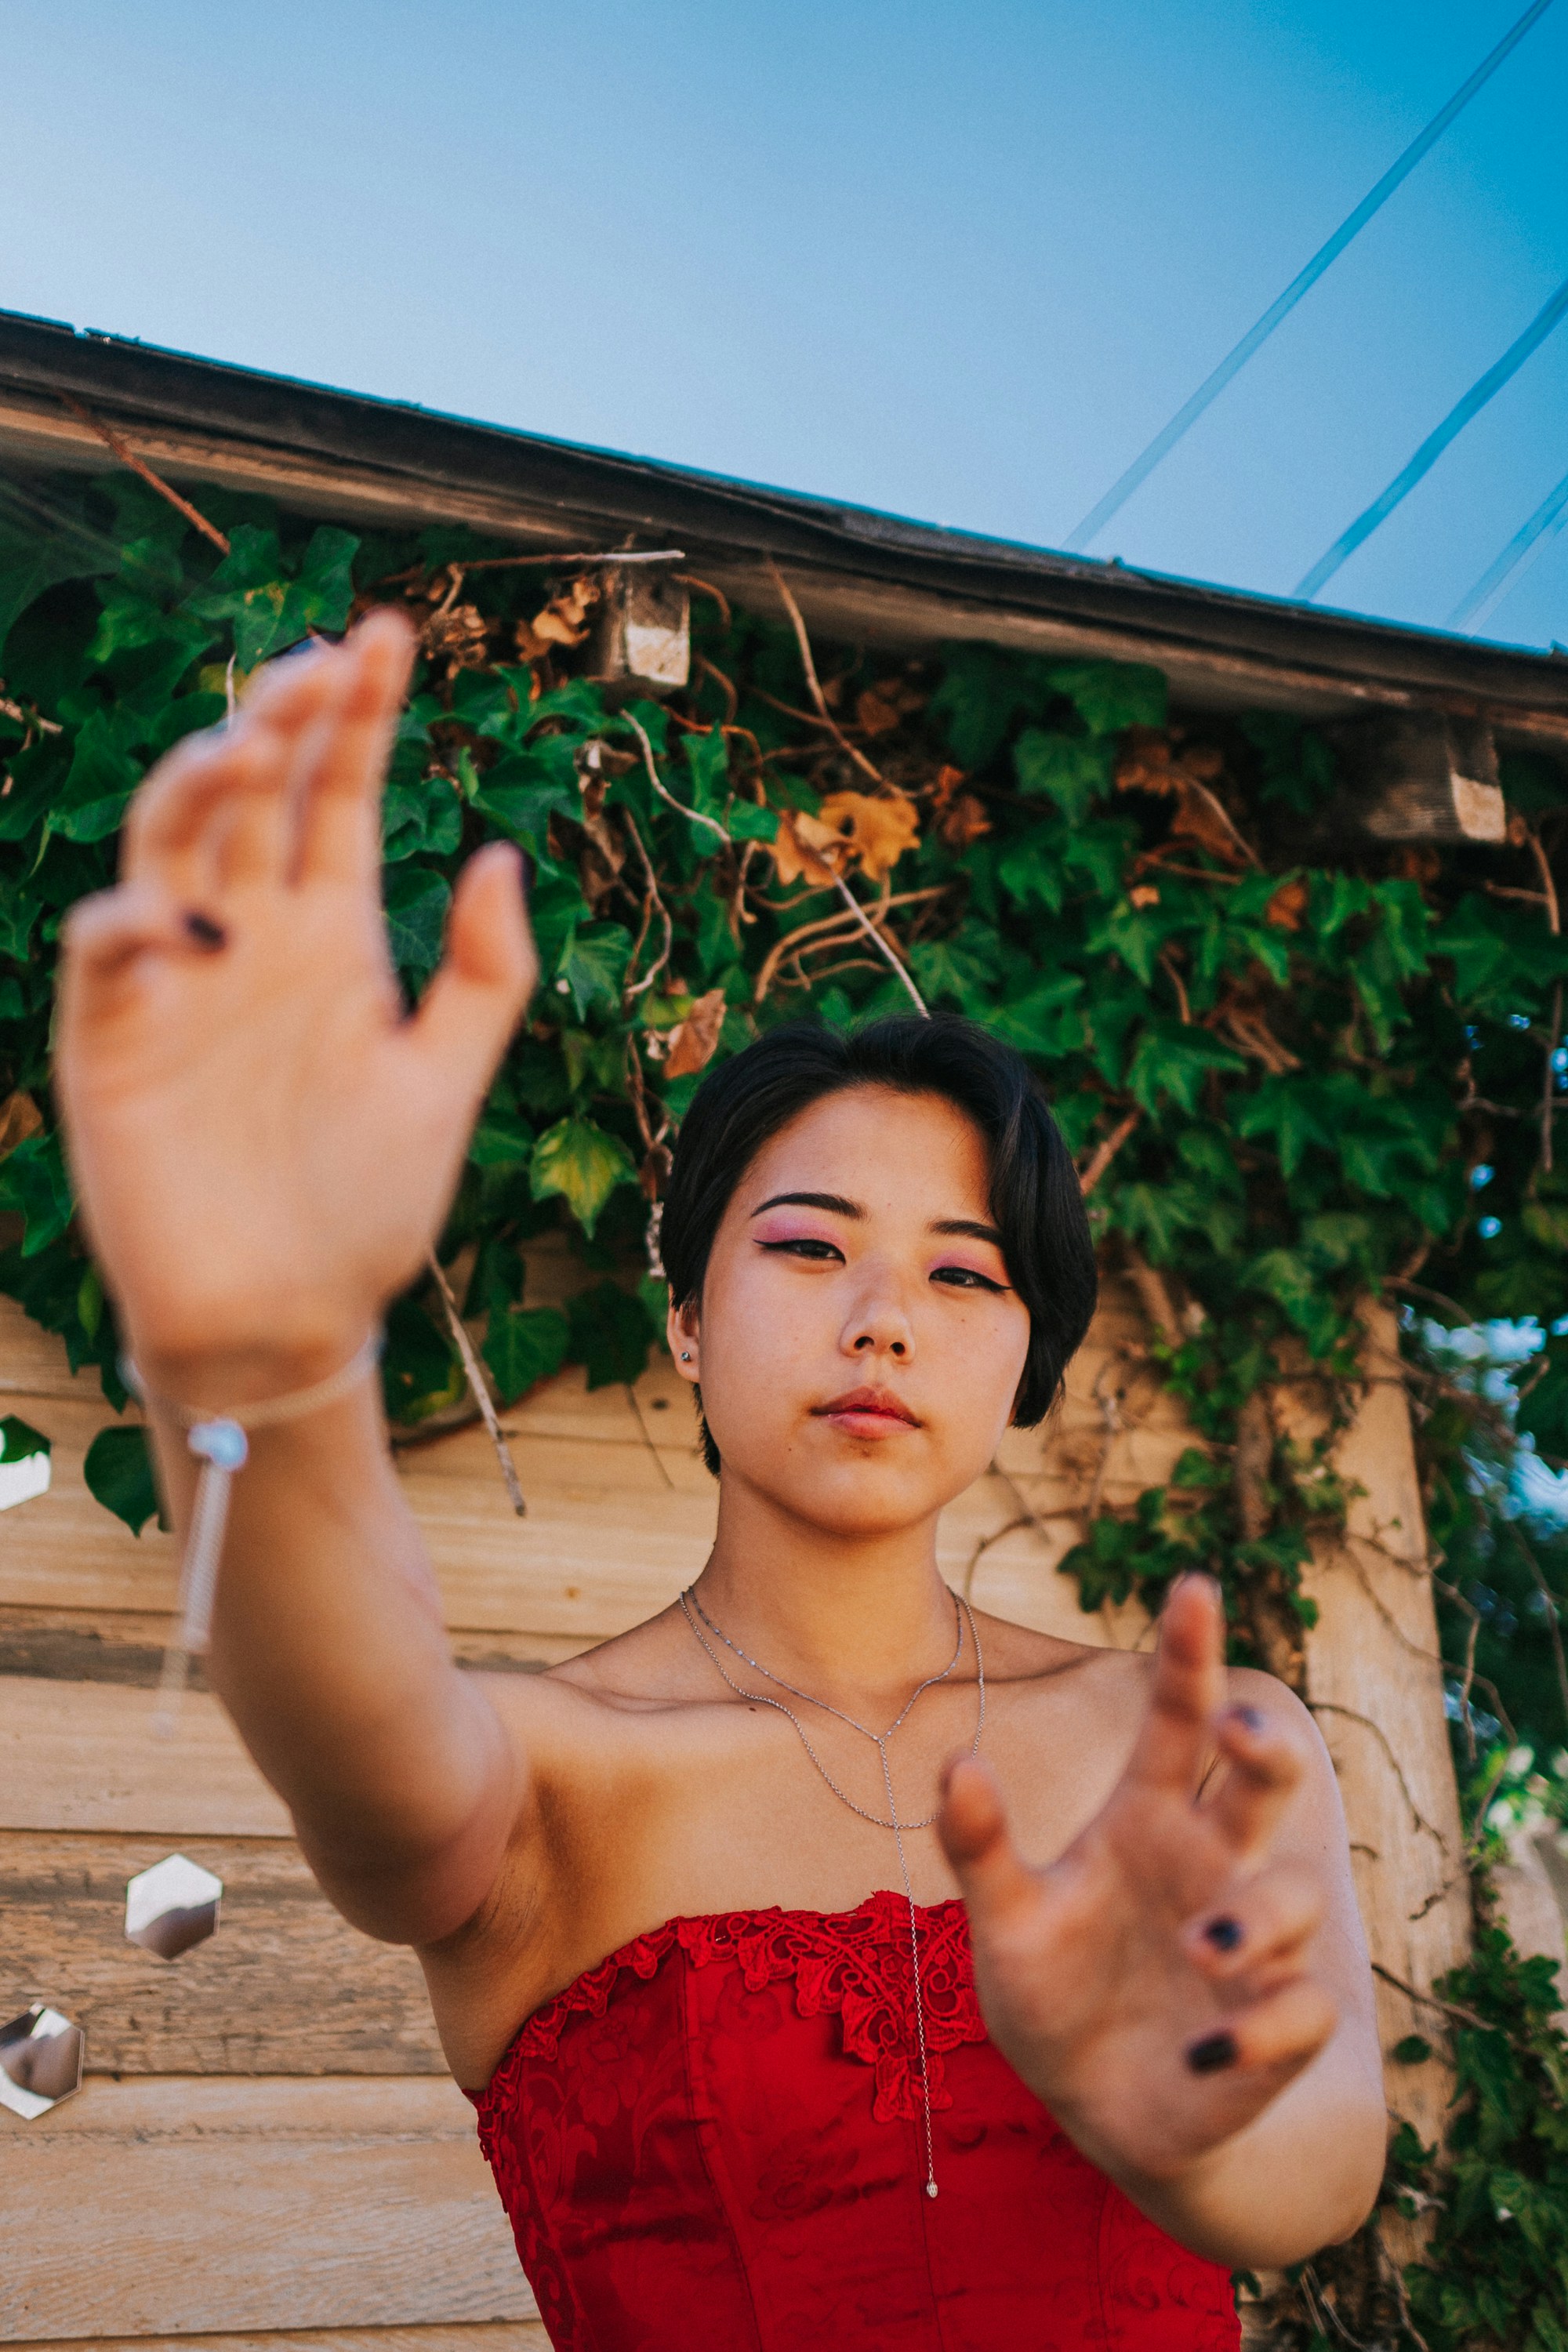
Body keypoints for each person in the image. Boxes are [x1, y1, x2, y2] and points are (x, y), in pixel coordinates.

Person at [57, 614, 1386, 2350]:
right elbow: (349, 1719)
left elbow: (1321, 2181)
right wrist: (264, 1366)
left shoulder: (1208, 1747)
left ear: (1025, 1361)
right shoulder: (543, 1777)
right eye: (808, 1245)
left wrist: (1179, 2124)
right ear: (684, 1323)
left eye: (965, 1276)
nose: (884, 1319)